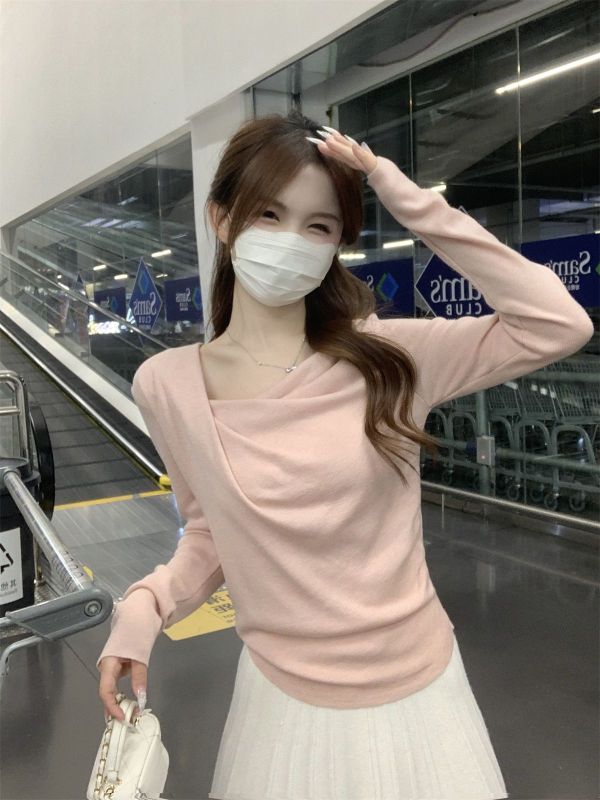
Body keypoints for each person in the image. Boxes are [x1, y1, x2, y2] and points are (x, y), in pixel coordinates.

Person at [97, 111, 593, 799]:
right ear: (221, 218)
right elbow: (211, 532)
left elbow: (557, 323)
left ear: (338, 244)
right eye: (269, 214)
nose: (290, 241)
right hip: (281, 704)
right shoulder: (167, 385)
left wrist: (408, 200)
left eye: (319, 226)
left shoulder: (390, 358)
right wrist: (148, 605)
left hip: (420, 694)